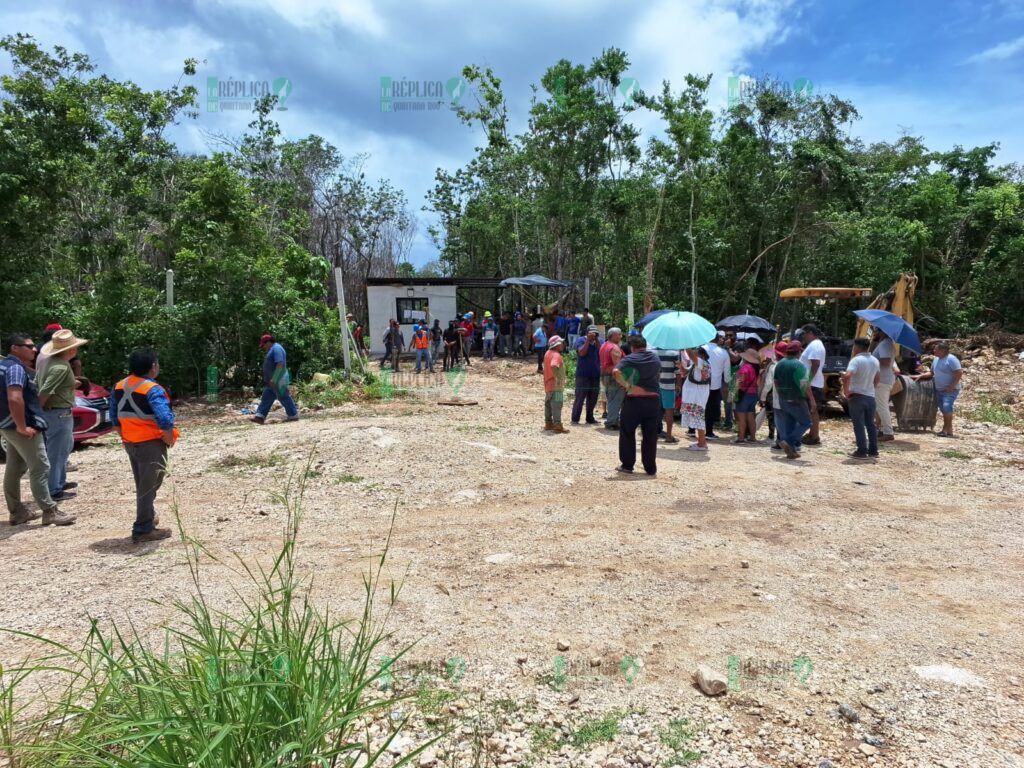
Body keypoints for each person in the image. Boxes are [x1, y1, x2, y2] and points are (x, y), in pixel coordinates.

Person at [1, 333, 75, 526]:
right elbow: (14, 398)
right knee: (41, 467)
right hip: (20, 426)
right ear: (14, 348)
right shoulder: (16, 369)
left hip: (7, 426)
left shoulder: (4, 366)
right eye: (29, 346)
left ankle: (17, 512)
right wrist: (22, 426)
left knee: (14, 469)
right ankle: (49, 510)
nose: (34, 349)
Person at [110, 348, 178, 543]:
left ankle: (149, 515)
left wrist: (125, 437)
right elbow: (165, 419)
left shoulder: (119, 386)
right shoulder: (152, 389)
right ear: (153, 367)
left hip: (131, 442)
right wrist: (168, 438)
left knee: (143, 484)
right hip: (150, 443)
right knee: (149, 486)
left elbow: (114, 419)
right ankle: (143, 528)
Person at [37, 329, 89, 501]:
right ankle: (54, 489)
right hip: (58, 412)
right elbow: (46, 390)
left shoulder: (51, 362)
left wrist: (78, 383)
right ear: (71, 350)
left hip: (58, 412)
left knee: (63, 448)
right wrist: (38, 411)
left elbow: (52, 383)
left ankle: (59, 481)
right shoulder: (60, 366)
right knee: (57, 452)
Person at [613, 333, 662, 476]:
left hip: (634, 400)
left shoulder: (630, 358)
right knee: (650, 435)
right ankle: (650, 468)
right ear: (645, 346)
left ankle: (628, 465)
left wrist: (627, 385)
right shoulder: (655, 357)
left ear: (632, 347)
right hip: (653, 400)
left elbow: (616, 371)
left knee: (628, 432)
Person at [843, 337, 881, 460]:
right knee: (870, 424)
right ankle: (873, 450)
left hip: (857, 396)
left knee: (858, 424)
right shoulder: (875, 360)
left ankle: (861, 450)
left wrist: (846, 391)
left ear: (857, 347)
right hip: (870, 396)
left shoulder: (856, 360)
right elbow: (877, 378)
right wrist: (871, 389)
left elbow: (847, 376)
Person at [915, 341, 963, 437]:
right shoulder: (936, 359)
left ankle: (945, 430)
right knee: (944, 409)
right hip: (939, 389)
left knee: (946, 407)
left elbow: (959, 372)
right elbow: (932, 373)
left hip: (950, 390)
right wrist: (922, 376)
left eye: (936, 349)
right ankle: (950, 431)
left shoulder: (951, 359)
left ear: (943, 350)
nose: (934, 350)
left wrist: (952, 386)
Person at [774, 341, 811, 460]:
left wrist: (781, 393)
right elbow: (804, 385)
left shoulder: (780, 364)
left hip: (783, 398)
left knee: (789, 424)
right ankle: (788, 441)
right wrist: (811, 400)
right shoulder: (799, 365)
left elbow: (776, 381)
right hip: (797, 398)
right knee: (806, 423)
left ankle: (791, 452)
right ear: (799, 351)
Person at [251, 334, 299, 424]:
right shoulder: (272, 349)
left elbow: (280, 363)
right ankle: (259, 416)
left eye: (264, 345)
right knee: (267, 397)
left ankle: (293, 415)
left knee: (284, 396)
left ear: (268, 342)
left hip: (279, 378)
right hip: (272, 380)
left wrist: (275, 378)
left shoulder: (277, 348)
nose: (264, 347)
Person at [798, 325, 827, 445]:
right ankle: (812, 434)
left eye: (804, 333)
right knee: (812, 411)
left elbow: (815, 364)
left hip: (811, 383)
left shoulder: (815, 345)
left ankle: (814, 436)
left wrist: (807, 382)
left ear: (810, 332)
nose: (802, 336)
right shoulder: (815, 345)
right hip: (812, 382)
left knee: (811, 410)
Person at [679, 347, 711, 451]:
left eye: (695, 354)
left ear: (701, 355)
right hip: (694, 394)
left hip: (697, 395)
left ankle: (702, 444)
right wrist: (681, 367)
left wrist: (686, 344)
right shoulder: (697, 364)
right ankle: (701, 442)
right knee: (697, 417)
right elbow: (685, 373)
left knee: (698, 417)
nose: (693, 356)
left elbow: (690, 354)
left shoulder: (702, 363)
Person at [869, 328, 896, 442]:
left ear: (883, 332)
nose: (875, 332)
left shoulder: (885, 343)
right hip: (883, 380)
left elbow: (886, 361)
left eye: (877, 330)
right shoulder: (885, 343)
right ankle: (881, 429)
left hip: (883, 380)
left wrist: (870, 361)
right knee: (880, 406)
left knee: (882, 406)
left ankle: (888, 432)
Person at [702, 331, 731, 440]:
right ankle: (708, 431)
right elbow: (727, 373)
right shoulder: (723, 353)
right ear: (718, 338)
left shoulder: (701, 348)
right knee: (710, 408)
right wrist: (726, 384)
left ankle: (692, 429)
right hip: (714, 384)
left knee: (699, 405)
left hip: (699, 382)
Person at [571, 325, 602, 424]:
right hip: (583, 374)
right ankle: (575, 418)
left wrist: (596, 340)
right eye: (591, 333)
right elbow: (582, 353)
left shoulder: (600, 341)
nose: (593, 335)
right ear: (587, 333)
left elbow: (601, 352)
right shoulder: (581, 340)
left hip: (595, 374)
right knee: (580, 397)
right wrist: (588, 341)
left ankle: (590, 417)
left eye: (595, 333)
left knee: (593, 397)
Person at [653, 345, 681, 443]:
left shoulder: (651, 353)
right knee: (669, 411)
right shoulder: (674, 353)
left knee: (654, 410)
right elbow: (678, 371)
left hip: (654, 386)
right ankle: (669, 436)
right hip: (668, 385)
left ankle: (652, 434)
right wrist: (678, 385)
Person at [733, 347, 762, 443]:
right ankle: (752, 437)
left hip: (744, 394)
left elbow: (740, 381)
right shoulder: (755, 368)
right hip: (753, 394)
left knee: (741, 418)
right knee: (750, 416)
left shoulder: (745, 368)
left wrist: (734, 393)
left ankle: (741, 438)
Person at [600, 327, 624, 429]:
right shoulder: (614, 347)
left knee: (611, 398)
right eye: (619, 334)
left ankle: (613, 419)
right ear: (613, 335)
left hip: (605, 376)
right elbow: (618, 366)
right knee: (616, 399)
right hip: (613, 377)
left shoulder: (604, 345)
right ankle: (611, 422)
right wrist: (622, 381)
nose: (621, 336)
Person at [543, 336, 568, 433]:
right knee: (557, 404)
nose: (562, 345)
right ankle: (557, 425)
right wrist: (558, 378)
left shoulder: (547, 353)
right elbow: (553, 365)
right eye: (561, 343)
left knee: (548, 404)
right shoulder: (556, 355)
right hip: (556, 386)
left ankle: (548, 423)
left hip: (548, 384)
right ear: (557, 345)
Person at [721, 332, 740, 431]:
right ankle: (728, 421)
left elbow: (735, 358)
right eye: (726, 335)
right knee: (726, 400)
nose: (728, 337)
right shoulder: (723, 346)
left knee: (733, 399)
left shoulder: (739, 345)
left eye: (730, 335)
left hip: (734, 374)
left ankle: (738, 425)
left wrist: (727, 348)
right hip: (724, 375)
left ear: (735, 336)